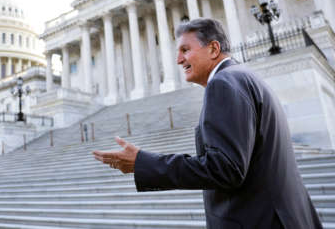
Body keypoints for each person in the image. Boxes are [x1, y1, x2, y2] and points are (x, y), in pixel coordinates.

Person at [93, 18, 323, 229]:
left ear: (213, 48)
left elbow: (225, 169)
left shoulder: (224, 83)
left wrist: (143, 163)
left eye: (185, 50)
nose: (178, 59)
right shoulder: (243, 77)